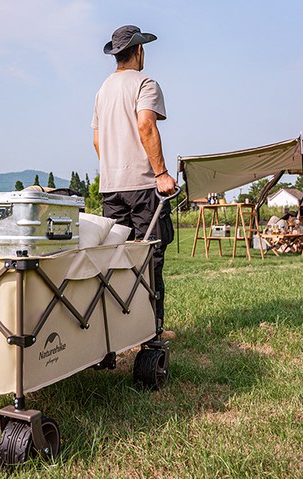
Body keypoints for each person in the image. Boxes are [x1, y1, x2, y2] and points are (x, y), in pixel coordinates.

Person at [92, 25, 177, 333]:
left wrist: (114, 169)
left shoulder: (103, 90)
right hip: (143, 186)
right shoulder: (145, 83)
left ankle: (119, 329)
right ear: (139, 51)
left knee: (118, 260)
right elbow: (146, 127)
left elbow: (97, 141)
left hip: (111, 188)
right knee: (150, 257)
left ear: (117, 54)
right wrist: (162, 174)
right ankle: (152, 331)